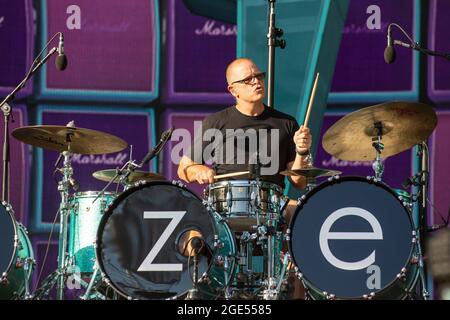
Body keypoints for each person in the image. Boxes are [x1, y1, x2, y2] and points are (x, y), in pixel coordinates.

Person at [177, 57, 312, 222]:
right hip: (225, 205)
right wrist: (197, 170)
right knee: (192, 233)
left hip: (271, 202)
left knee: (302, 214)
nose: (256, 82)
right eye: (248, 79)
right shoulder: (216, 122)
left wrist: (301, 151)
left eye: (259, 76)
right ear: (233, 90)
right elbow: (183, 169)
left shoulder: (286, 123)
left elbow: (299, 182)